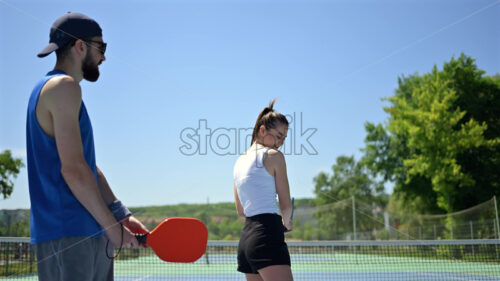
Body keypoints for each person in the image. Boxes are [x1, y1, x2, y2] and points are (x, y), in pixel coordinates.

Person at [26, 12, 148, 281]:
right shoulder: (64, 86)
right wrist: (113, 229)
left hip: (81, 233)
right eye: (101, 47)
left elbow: (85, 165)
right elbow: (74, 171)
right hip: (71, 233)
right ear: (81, 46)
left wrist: (121, 216)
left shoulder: (52, 90)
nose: (104, 57)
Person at [233, 99, 294, 281]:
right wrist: (287, 222)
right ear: (262, 130)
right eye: (278, 136)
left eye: (283, 138)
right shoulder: (275, 156)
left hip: (246, 241)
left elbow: (241, 210)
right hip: (268, 235)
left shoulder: (239, 162)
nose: (280, 142)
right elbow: (285, 204)